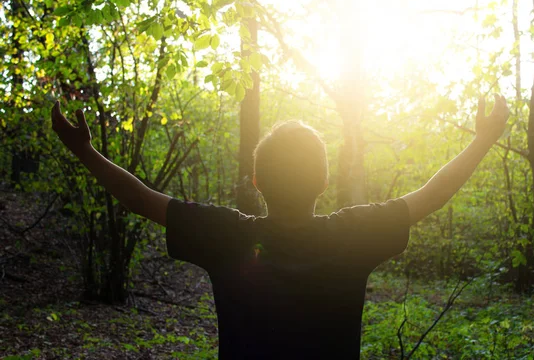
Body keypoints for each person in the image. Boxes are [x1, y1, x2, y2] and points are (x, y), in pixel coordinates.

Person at [51, 94, 509, 360]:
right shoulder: (352, 236)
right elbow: (430, 196)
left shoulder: (227, 236)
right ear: (325, 181)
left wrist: (85, 152)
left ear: (256, 181)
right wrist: (483, 139)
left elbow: (140, 199)